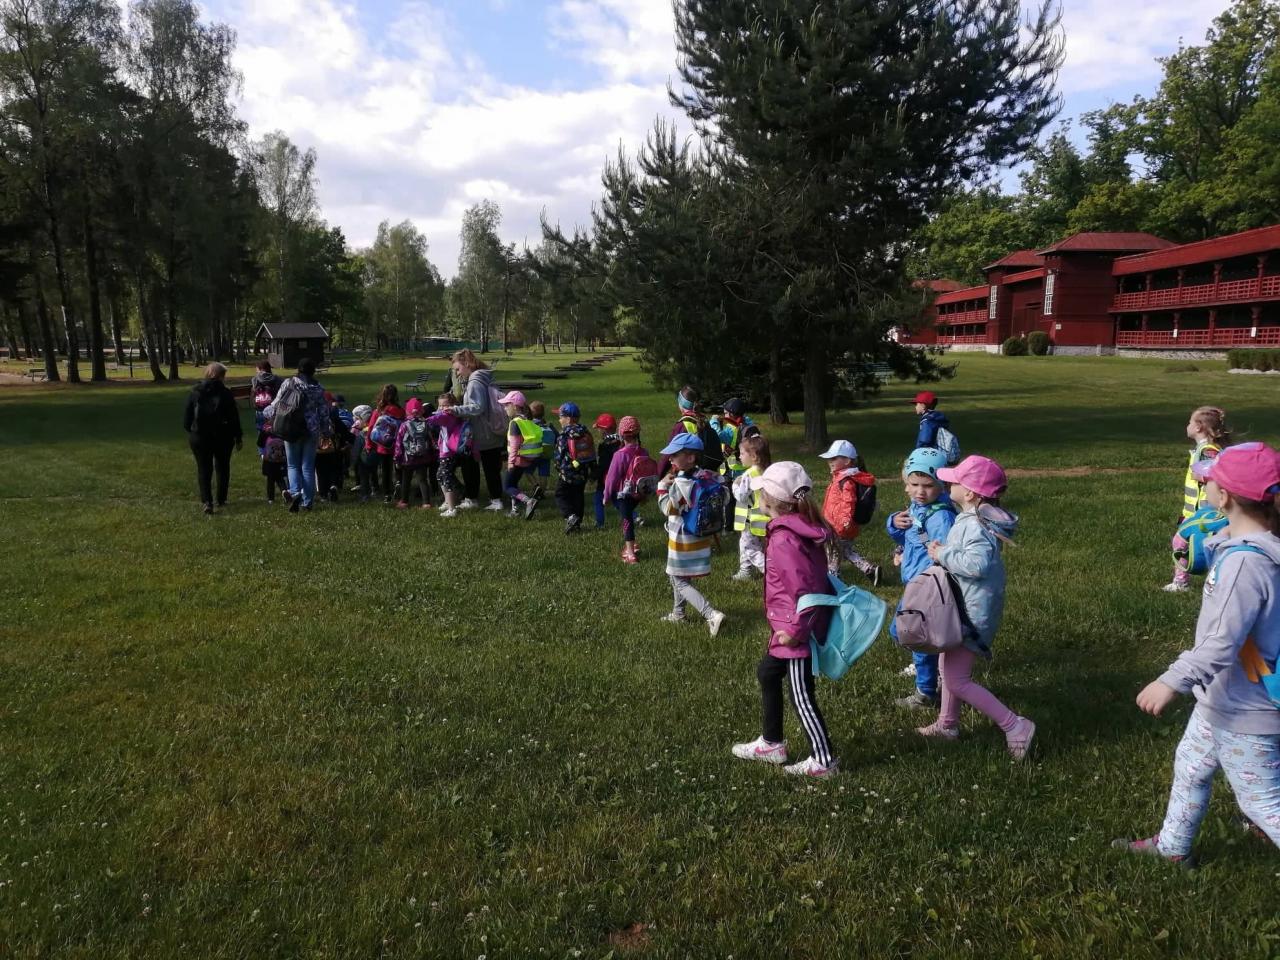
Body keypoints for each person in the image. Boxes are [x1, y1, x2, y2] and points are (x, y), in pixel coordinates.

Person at [1113, 442, 1280, 863]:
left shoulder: (1245, 565)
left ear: (1224, 496)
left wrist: (1172, 680)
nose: (1204, 486)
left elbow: (1221, 642)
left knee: (1262, 803)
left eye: (1210, 481)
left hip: (1245, 708)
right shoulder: (1255, 545)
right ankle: (1173, 848)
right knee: (1190, 767)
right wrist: (1216, 541)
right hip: (1221, 698)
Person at [915, 455, 1035, 759]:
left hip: (970, 615)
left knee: (957, 680)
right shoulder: (972, 519)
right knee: (946, 667)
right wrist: (945, 551)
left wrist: (943, 554)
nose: (948, 485)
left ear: (969, 492)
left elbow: (977, 564)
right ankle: (947, 724)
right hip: (962, 608)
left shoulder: (975, 525)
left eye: (953, 482)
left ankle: (1015, 725)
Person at [731, 461, 839, 779]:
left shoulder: (784, 540)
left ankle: (824, 761)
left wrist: (795, 632)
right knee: (767, 673)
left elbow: (807, 592)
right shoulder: (795, 528)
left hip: (795, 632)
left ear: (769, 500)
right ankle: (772, 743)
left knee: (801, 696)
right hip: (787, 626)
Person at [887, 447, 957, 710]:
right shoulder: (918, 507)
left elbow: (945, 552)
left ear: (941, 485)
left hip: (928, 588)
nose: (920, 491)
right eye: (914, 484)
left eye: (927, 486)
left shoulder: (940, 515)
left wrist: (927, 576)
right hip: (915, 584)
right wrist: (894, 523)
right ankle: (931, 667)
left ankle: (925, 692)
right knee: (902, 631)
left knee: (914, 634)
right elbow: (908, 535)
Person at [657, 432, 726, 635]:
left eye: (675, 454)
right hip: (700, 537)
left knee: (678, 580)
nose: (670, 458)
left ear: (690, 457)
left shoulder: (681, 484)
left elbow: (668, 509)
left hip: (682, 540)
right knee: (681, 577)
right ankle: (678, 614)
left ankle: (711, 614)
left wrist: (662, 487)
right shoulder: (706, 476)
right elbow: (725, 496)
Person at [1165, 406, 1231, 592]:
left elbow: (1216, 475)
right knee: (1188, 543)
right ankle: (1193, 581)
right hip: (1195, 510)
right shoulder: (1202, 449)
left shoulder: (1208, 450)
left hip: (1205, 511)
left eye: (1189, 422)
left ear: (1198, 427)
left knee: (1181, 542)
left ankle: (1182, 583)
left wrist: (1199, 474)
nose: (1187, 426)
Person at [269, 358, 330, 513]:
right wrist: (325, 431)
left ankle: (295, 492)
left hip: (291, 427)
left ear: (299, 369)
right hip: (311, 428)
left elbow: (276, 403)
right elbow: (324, 411)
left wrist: (268, 416)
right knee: (307, 467)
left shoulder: (289, 383)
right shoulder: (318, 387)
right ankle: (307, 501)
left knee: (292, 464)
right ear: (313, 371)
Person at [449, 349, 505, 511]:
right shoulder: (484, 378)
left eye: (458, 369)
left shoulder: (475, 381)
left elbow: (478, 407)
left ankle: (473, 498)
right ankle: (495, 499)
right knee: (491, 468)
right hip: (490, 432)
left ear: (467, 364)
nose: (457, 374)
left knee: (471, 466)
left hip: (481, 433)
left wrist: (456, 410)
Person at [819, 440, 881, 585]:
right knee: (846, 551)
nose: (830, 461)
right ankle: (870, 570)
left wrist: (844, 521)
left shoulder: (846, 481)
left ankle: (834, 583)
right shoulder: (841, 477)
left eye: (834, 458)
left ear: (847, 461)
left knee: (833, 555)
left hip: (839, 526)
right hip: (841, 525)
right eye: (829, 458)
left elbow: (849, 502)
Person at [183, 361, 242, 515]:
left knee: (204, 468)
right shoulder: (226, 393)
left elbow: (188, 416)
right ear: (221, 376)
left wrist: (191, 429)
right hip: (222, 434)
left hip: (200, 435)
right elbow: (234, 417)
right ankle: (221, 498)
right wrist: (238, 436)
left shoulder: (195, 391)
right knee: (223, 467)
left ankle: (207, 501)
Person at [603, 415, 651, 564]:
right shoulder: (643, 452)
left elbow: (612, 478)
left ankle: (630, 553)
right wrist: (645, 495)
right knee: (628, 516)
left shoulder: (619, 455)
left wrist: (606, 496)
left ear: (621, 435)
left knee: (627, 521)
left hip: (623, 495)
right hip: (638, 494)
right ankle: (632, 545)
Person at [658, 386, 725, 477]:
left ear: (681, 404)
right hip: (706, 473)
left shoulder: (681, 425)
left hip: (688, 474)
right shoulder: (704, 421)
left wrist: (658, 476)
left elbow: (668, 455)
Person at [731, 433, 772, 581]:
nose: (739, 456)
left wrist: (735, 485)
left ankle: (771, 571)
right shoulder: (766, 470)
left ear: (753, 456)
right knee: (747, 543)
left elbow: (741, 496)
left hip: (751, 518)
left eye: (742, 453)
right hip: (764, 515)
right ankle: (745, 571)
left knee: (750, 548)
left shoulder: (749, 474)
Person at [426, 393, 473, 518]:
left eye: (445, 405)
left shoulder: (448, 416)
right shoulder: (451, 415)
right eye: (440, 405)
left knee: (446, 477)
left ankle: (452, 508)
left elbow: (433, 420)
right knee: (441, 475)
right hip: (445, 451)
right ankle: (452, 498)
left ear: (453, 405)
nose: (442, 408)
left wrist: (423, 418)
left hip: (447, 453)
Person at [499, 390, 543, 519]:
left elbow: (514, 445)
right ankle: (515, 510)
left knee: (507, 486)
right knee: (513, 484)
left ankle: (528, 501)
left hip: (517, 460)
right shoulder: (527, 420)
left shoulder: (515, 423)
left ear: (515, 406)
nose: (505, 408)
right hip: (525, 459)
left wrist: (511, 462)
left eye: (507, 405)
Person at [554, 402, 595, 534]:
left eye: (561, 417)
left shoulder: (564, 435)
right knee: (578, 497)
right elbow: (591, 452)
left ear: (568, 418)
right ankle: (577, 523)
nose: (559, 420)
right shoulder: (585, 432)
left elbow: (559, 455)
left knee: (561, 495)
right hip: (582, 472)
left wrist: (558, 467)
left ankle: (570, 516)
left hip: (567, 473)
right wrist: (592, 470)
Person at [363, 384, 405, 505]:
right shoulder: (401, 411)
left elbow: (371, 428)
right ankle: (399, 482)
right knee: (398, 466)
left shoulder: (378, 411)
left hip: (382, 445)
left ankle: (387, 494)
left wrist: (369, 445)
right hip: (397, 444)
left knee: (385, 470)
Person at [394, 398, 437, 509]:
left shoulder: (404, 425)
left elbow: (399, 443)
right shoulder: (426, 423)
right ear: (422, 410)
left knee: (406, 480)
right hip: (423, 457)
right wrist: (432, 455)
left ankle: (404, 502)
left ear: (407, 411)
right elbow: (431, 440)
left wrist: (397, 458)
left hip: (407, 459)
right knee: (423, 480)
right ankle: (426, 503)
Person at [315, 391, 352, 503]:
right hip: (333, 447)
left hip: (318, 448)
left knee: (321, 472)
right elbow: (343, 430)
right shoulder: (332, 414)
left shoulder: (312, 413)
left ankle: (323, 495)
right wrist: (353, 439)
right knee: (333, 468)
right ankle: (333, 486)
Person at [710, 397, 755, 481]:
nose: (724, 416)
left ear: (731, 414)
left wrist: (714, 421)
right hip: (748, 467)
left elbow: (717, 436)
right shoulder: (749, 424)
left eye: (725, 413)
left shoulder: (731, 429)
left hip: (735, 470)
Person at [593, 413, 622, 529]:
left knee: (598, 499)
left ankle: (599, 523)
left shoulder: (605, 445)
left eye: (599, 428)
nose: (598, 431)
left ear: (604, 430)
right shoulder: (621, 441)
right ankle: (635, 517)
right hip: (620, 476)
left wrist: (594, 475)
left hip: (606, 478)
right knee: (617, 499)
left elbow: (603, 464)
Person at [258, 417, 288, 505]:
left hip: (269, 460)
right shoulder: (281, 429)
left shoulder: (266, 431)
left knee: (270, 479)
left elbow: (260, 443)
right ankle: (284, 491)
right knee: (280, 478)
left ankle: (271, 498)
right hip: (281, 459)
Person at [530, 400, 556, 489]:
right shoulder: (547, 424)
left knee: (527, 471)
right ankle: (542, 492)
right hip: (546, 452)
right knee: (543, 474)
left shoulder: (530, 424)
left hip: (535, 451)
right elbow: (557, 436)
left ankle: (536, 486)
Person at [250, 359, 283, 431]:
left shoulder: (255, 379)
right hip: (273, 410)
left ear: (260, 369)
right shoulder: (278, 379)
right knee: (274, 431)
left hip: (260, 409)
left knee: (261, 432)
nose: (256, 371)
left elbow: (253, 393)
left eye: (257, 369)